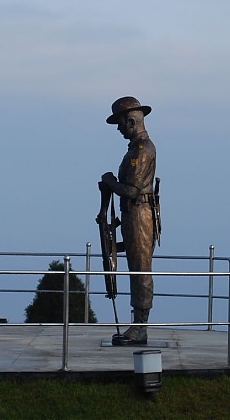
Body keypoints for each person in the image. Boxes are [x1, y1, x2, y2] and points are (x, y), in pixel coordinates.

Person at [100, 96, 158, 346]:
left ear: (131, 121)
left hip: (139, 212)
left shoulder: (142, 150)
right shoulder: (136, 148)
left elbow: (132, 189)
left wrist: (110, 181)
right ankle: (137, 324)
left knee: (140, 269)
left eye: (121, 122)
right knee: (136, 267)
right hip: (133, 213)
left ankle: (140, 327)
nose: (119, 128)